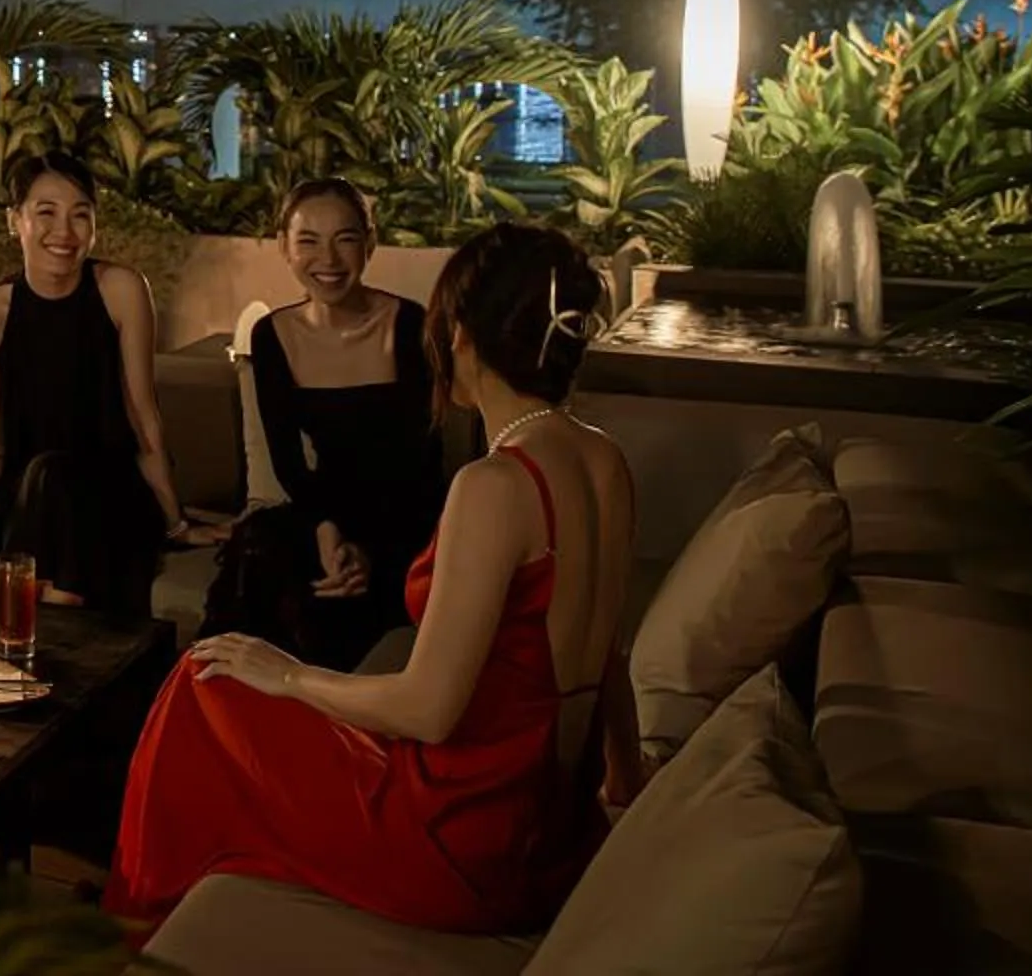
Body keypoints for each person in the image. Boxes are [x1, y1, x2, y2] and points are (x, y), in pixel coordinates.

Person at [104, 222, 643, 939]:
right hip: (549, 833)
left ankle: (130, 934)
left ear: (461, 338)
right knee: (229, 693)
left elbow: (426, 710)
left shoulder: (496, 485)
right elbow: (607, 653)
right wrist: (623, 781)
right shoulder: (604, 460)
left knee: (201, 688)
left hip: (462, 844)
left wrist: (290, 677)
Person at [0, 152, 209, 615]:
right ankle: (48, 623)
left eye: (80, 214)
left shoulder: (121, 291)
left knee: (53, 478)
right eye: (46, 213)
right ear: (14, 220)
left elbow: (144, 420)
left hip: (106, 495)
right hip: (25, 498)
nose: (64, 231)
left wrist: (175, 523)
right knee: (33, 487)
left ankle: (37, 630)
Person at [200, 178, 442, 671]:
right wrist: (327, 531)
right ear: (284, 249)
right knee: (259, 558)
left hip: (401, 521)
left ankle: (315, 732)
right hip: (321, 511)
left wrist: (367, 551)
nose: (328, 260)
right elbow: (289, 462)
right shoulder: (274, 335)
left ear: (369, 244)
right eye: (308, 241)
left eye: (345, 239)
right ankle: (217, 713)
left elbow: (424, 464)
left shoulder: (411, 325)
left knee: (329, 610)